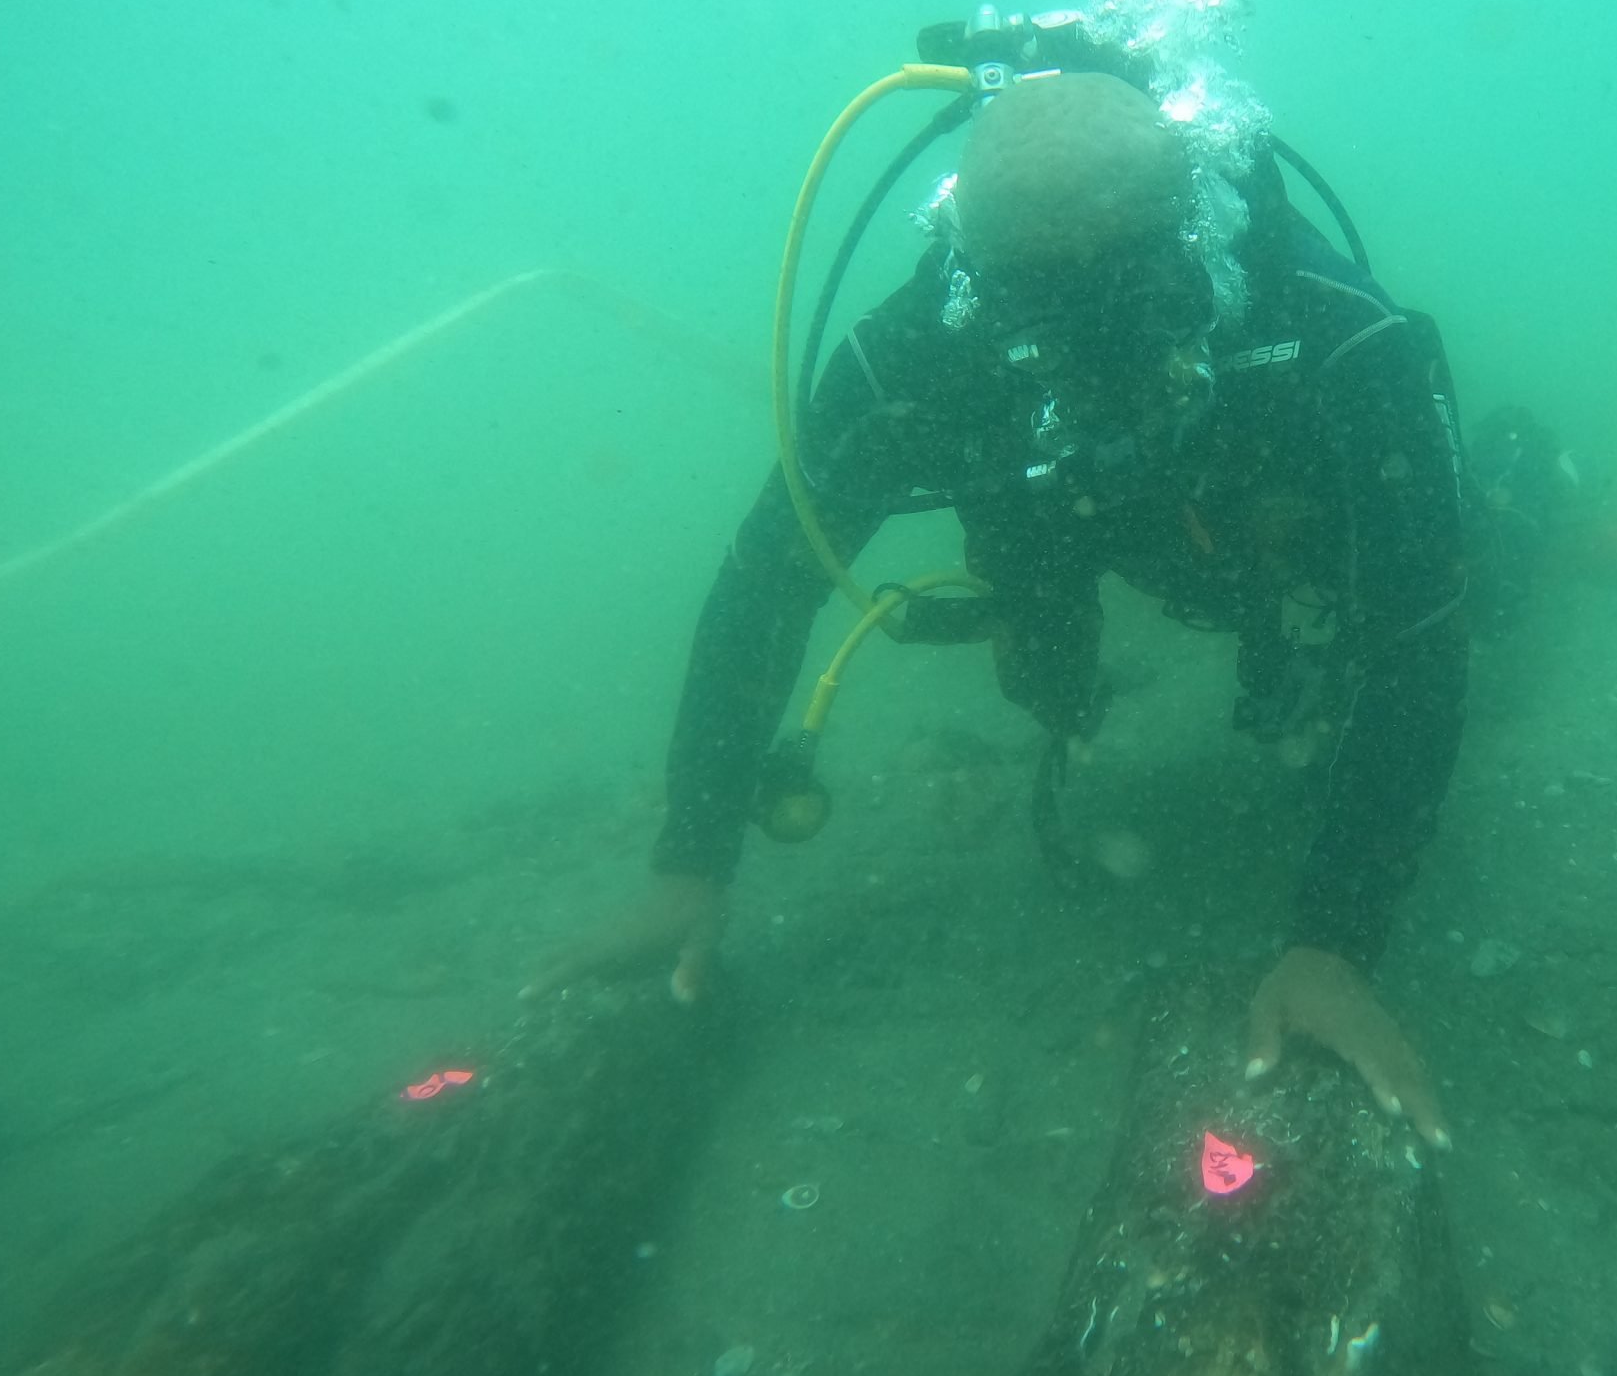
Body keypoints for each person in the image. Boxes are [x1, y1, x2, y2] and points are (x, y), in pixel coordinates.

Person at [535, 70, 1468, 1148]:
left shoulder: (1331, 331)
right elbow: (766, 582)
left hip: (1282, 526)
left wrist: (1334, 941)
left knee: (1467, 588)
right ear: (971, 269)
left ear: (1199, 230)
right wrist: (688, 862)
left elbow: (1417, 634)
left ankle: (1539, 485)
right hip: (1062, 522)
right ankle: (1057, 634)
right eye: (1047, 298)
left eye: (1131, 285)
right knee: (1042, 668)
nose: (1099, 335)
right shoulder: (920, 352)